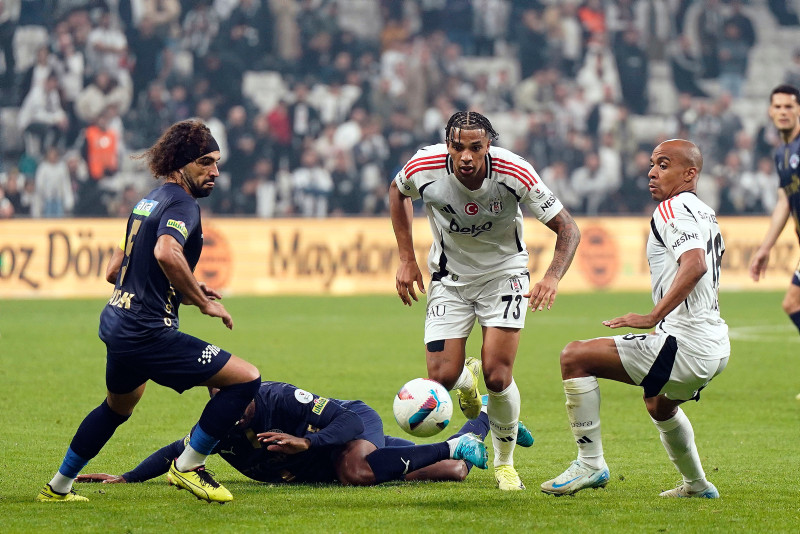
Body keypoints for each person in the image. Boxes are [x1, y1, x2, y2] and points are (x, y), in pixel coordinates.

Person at [37, 120, 262, 504]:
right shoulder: (183, 204)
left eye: (217, 163)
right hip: (146, 330)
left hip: (118, 321)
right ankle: (189, 465)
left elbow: (114, 271)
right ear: (181, 162)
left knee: (115, 409)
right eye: (206, 162)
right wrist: (202, 301)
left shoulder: (148, 201)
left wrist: (186, 284)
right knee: (245, 380)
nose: (215, 172)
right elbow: (165, 252)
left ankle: (58, 486)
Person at [389, 111, 581, 490]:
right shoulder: (424, 165)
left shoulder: (515, 172)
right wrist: (407, 258)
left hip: (503, 276)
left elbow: (568, 228)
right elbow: (397, 192)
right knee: (440, 378)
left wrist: (552, 277)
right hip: (449, 279)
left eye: (475, 148)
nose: (465, 156)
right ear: (448, 145)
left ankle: (504, 464)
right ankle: (465, 381)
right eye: (457, 147)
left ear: (488, 146)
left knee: (498, 374)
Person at [541, 139, 728, 499]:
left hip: (685, 344)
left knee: (574, 357)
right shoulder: (705, 211)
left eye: (663, 164)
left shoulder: (672, 209)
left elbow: (695, 264)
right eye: (653, 164)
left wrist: (653, 316)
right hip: (714, 345)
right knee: (660, 404)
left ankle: (590, 463)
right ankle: (698, 486)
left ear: (690, 173)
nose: (652, 172)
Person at [75, 381, 536, 487]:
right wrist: (128, 478)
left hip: (348, 429)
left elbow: (351, 424)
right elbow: (178, 451)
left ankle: (459, 440)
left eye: (234, 399)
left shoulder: (280, 399)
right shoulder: (223, 427)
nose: (230, 408)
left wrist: (306, 441)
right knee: (453, 472)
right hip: (322, 461)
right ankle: (489, 424)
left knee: (355, 468)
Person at [749, 84, 800, 400]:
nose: (783, 112)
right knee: (792, 303)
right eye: (777, 107)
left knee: (793, 303)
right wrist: (765, 247)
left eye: (789, 106)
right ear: (770, 111)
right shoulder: (781, 153)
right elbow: (785, 201)